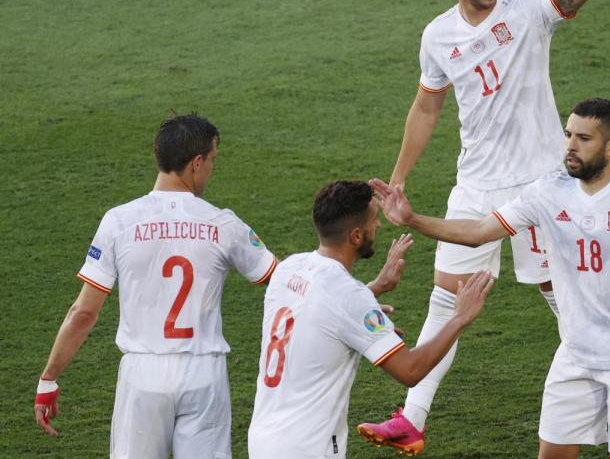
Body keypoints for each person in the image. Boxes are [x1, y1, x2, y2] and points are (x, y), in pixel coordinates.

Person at [358, 0, 610, 453]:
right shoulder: (437, 35)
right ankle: (412, 419)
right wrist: (399, 178)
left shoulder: (527, 12)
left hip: (540, 185)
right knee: (446, 299)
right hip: (475, 185)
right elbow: (427, 108)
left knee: (564, 297)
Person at [372, 98, 610, 459]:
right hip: (575, 352)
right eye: (567, 135)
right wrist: (413, 219)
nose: (571, 146)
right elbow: (480, 230)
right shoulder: (548, 191)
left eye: (584, 138)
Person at [33, 114, 279, 458]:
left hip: (143, 374)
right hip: (204, 373)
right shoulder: (223, 223)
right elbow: (279, 279)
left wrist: (49, 378)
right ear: (196, 163)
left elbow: (84, 312)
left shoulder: (119, 221)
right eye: (212, 160)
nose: (211, 168)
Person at [247, 181, 494, 458]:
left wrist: (375, 287)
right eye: (374, 220)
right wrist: (459, 318)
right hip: (308, 447)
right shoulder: (349, 297)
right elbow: (410, 371)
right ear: (355, 236)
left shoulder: (289, 268)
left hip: (262, 438)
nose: (377, 225)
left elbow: (319, 310)